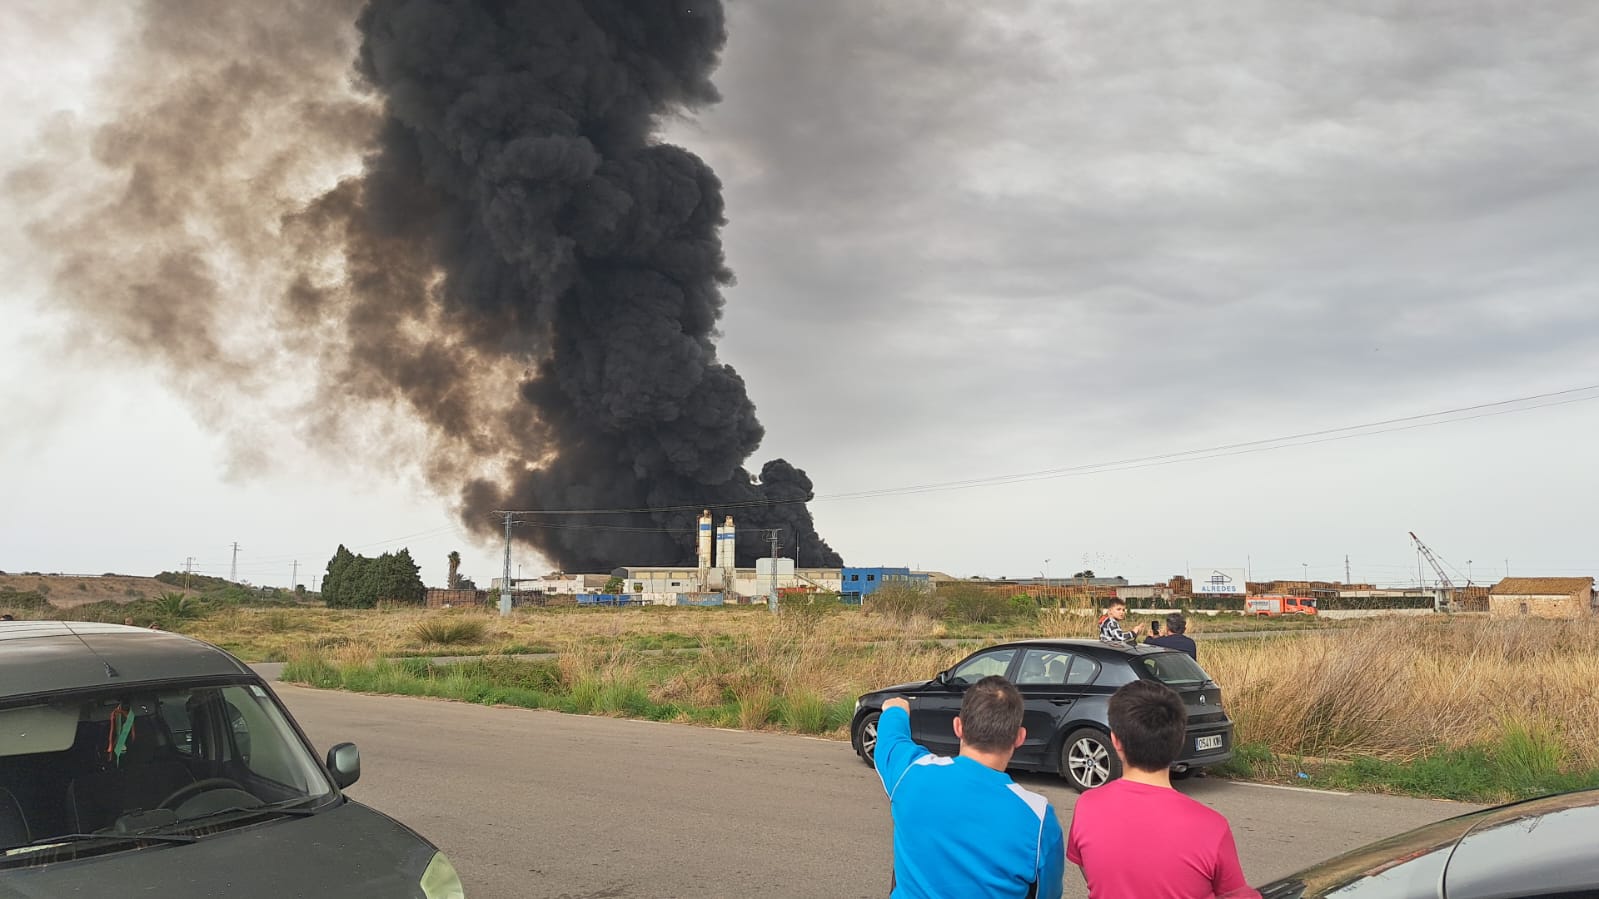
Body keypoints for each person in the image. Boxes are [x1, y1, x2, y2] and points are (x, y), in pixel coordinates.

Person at [875, 676, 1065, 899]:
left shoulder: (911, 773)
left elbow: (890, 740)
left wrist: (896, 709)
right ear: (1019, 737)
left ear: (958, 726)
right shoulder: (1040, 818)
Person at [1067, 681, 1258, 899]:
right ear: (1181, 740)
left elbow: (1088, 872)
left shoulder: (1087, 806)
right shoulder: (1213, 826)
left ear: (1115, 741)